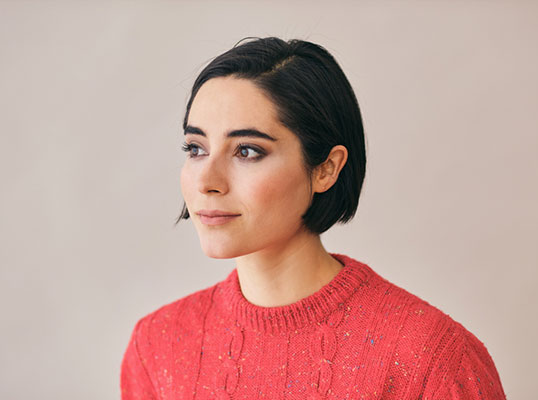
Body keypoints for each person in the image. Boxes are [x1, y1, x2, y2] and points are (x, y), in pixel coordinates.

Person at [120, 37, 506, 399]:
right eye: (195, 148)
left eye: (248, 151)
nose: (207, 181)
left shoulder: (433, 359)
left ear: (326, 168)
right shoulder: (157, 345)